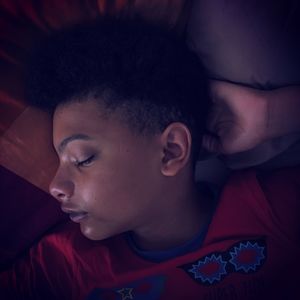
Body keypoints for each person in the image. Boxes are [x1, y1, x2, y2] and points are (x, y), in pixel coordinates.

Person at [1, 17, 299, 300]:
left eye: (82, 159)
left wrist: (269, 115)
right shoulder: (63, 267)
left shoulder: (271, 209)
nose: (55, 185)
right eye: (60, 161)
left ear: (171, 151)